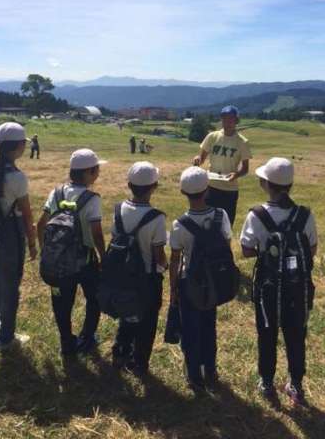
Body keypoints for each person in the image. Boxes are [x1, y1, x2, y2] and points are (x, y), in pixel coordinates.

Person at [240, 157, 318, 405]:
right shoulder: (304, 215)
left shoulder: (257, 215)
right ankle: (295, 383)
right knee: (296, 335)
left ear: (265, 184)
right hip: (298, 287)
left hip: (268, 285)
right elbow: (311, 249)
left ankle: (266, 382)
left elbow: (246, 250)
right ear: (290, 185)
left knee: (267, 333)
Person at [37, 148, 106, 356]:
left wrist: (46, 251)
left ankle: (66, 342)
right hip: (86, 261)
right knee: (93, 298)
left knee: (61, 304)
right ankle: (87, 337)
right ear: (88, 172)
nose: (98, 173)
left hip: (58, 262)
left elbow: (40, 224)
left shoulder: (56, 192)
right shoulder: (92, 199)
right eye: (96, 169)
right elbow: (97, 234)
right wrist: (104, 257)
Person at [170, 166, 232, 392]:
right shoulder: (221, 216)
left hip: (189, 283)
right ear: (207, 190)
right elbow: (226, 246)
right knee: (209, 325)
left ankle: (194, 374)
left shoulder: (179, 224)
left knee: (190, 329)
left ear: (183, 192)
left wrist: (173, 289)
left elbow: (175, 260)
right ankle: (211, 369)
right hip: (214, 281)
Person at [0, 122, 37, 352]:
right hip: (9, 233)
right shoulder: (17, 177)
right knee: (11, 286)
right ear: (19, 146)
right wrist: (32, 242)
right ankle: (6, 339)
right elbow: (27, 215)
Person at [111, 161, 167, 377]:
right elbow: (159, 255)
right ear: (154, 187)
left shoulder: (118, 209)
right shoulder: (157, 217)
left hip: (123, 274)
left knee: (127, 315)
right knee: (147, 322)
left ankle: (120, 352)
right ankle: (139, 362)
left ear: (129, 185)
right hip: (147, 278)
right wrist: (165, 266)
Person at [193, 105, 251, 226]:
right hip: (210, 186)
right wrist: (197, 159)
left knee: (226, 225)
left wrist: (236, 174)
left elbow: (245, 169)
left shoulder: (242, 142)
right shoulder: (212, 136)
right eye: (225, 118)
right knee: (206, 223)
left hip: (230, 190)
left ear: (236, 121)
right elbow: (201, 158)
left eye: (231, 119)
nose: (227, 122)